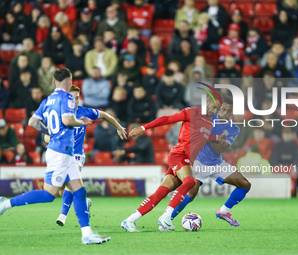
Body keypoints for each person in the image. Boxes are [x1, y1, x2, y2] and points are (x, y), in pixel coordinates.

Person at [0, 68, 110, 245]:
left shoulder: (47, 100)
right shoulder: (67, 97)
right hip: (60, 152)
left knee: (80, 191)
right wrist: (80, 122)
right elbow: (67, 121)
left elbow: (32, 122)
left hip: (65, 153)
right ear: (69, 81)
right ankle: (5, 204)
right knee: (49, 195)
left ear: (54, 83)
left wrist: (50, 131)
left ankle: (87, 234)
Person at [121, 94, 227, 232]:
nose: (214, 111)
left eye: (217, 109)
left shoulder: (209, 122)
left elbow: (202, 136)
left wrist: (216, 137)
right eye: (213, 107)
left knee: (161, 192)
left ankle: (129, 220)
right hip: (180, 155)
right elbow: (167, 119)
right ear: (206, 101)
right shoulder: (192, 112)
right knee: (189, 182)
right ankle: (166, 217)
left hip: (187, 160)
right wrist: (144, 127)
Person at [166, 96, 250, 229]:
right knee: (190, 194)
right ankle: (167, 220)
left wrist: (206, 134)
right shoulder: (208, 117)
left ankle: (223, 212)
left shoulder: (234, 128)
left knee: (245, 185)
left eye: (229, 111)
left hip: (217, 163)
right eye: (223, 109)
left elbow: (219, 148)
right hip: (198, 162)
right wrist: (213, 136)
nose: (225, 113)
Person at [55, 85, 126, 226]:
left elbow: (105, 115)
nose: (74, 101)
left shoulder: (84, 112)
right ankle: (84, 201)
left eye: (76, 98)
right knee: (59, 190)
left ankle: (62, 216)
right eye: (71, 98)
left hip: (76, 155)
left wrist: (118, 127)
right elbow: (46, 137)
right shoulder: (57, 114)